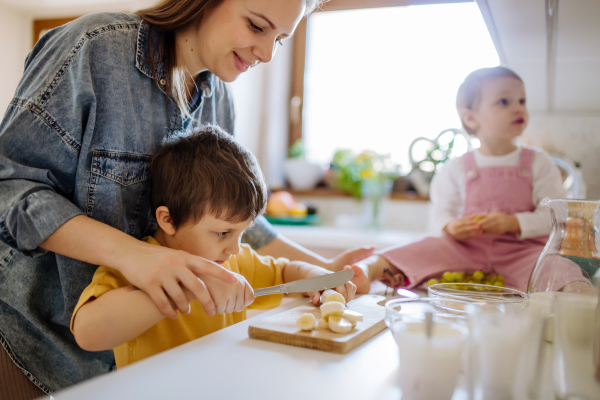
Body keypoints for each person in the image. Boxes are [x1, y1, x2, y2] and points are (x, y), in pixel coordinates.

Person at [0, 0, 372, 395]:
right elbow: (9, 187)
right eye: (257, 26)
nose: (266, 54)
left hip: (132, 374)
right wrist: (135, 256)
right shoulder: (93, 48)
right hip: (32, 344)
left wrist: (322, 269)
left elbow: (231, 217)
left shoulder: (219, 99)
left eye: (280, 39)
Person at [70, 126, 356, 368]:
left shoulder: (231, 260)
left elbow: (284, 273)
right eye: (222, 232)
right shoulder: (138, 268)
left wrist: (316, 278)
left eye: (243, 232)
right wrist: (193, 287)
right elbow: (87, 332)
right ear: (168, 220)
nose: (234, 247)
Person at [343, 66, 566, 293]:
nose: (519, 108)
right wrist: (450, 226)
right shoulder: (456, 168)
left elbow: (556, 216)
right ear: (470, 117)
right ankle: (369, 269)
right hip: (465, 251)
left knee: (558, 267)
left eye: (522, 101)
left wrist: (513, 223)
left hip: (522, 255)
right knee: (420, 247)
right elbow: (440, 214)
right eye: (504, 102)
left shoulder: (539, 162)